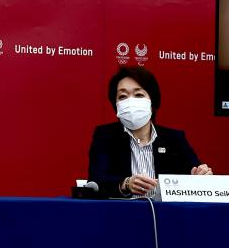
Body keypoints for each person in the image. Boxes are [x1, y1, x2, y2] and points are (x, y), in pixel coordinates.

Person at [87, 66, 211, 198]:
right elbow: (95, 183)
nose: (130, 102)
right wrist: (126, 184)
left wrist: (201, 175)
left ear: (152, 101)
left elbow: (195, 175)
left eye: (139, 95)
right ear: (116, 104)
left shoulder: (174, 139)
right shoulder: (105, 136)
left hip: (167, 215)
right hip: (121, 214)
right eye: (122, 96)